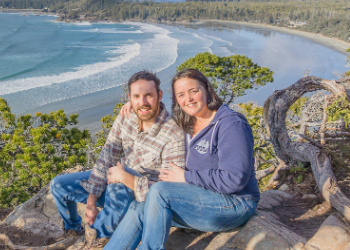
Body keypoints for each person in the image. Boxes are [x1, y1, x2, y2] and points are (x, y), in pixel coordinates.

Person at [110, 68, 259, 250]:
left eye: (193, 91)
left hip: (235, 203)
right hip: (202, 197)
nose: (187, 99)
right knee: (141, 204)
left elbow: (235, 179)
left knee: (159, 191)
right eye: (181, 95)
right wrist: (135, 105)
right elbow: (157, 113)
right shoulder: (187, 123)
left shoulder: (230, 124)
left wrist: (186, 177)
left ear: (207, 90)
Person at [50, 71, 185, 250]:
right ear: (129, 97)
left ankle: (98, 239)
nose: (142, 102)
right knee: (58, 185)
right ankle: (74, 230)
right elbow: (107, 157)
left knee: (121, 175)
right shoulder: (126, 116)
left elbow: (167, 192)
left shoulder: (173, 133)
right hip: (115, 188)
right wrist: (91, 203)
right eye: (136, 96)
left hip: (141, 198)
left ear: (159, 95)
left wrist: (125, 178)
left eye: (148, 95)